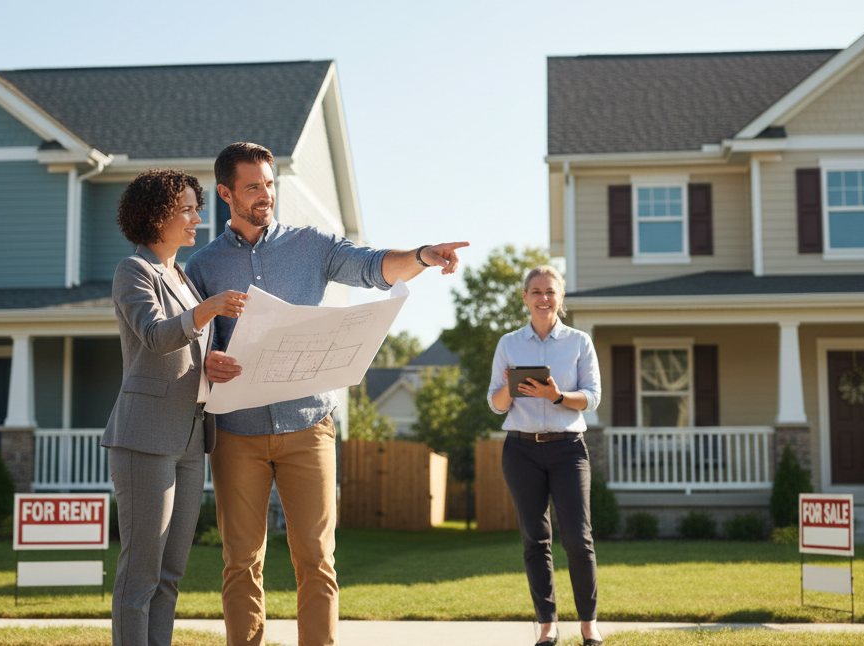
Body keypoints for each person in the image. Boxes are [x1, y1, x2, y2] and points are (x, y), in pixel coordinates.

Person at [185, 142, 468, 646]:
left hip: (309, 425)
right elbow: (193, 342)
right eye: (253, 187)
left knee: (316, 559)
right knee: (240, 560)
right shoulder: (203, 266)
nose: (265, 195)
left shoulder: (310, 245)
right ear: (226, 193)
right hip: (236, 432)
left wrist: (422, 256)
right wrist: (206, 361)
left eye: (270, 184)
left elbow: (372, 266)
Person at [102, 169, 248, 646]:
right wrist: (210, 310)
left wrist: (214, 364)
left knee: (170, 575)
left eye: (195, 207)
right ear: (156, 214)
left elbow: (188, 347)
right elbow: (157, 336)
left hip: (189, 438)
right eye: (186, 208)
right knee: (140, 575)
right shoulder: (134, 271)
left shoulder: (182, 277)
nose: (197, 217)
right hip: (144, 436)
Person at [487, 265, 604, 646]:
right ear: (525, 298)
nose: (543, 298)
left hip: (568, 449)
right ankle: (547, 625)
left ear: (561, 298)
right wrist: (510, 387)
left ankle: (589, 625)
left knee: (577, 538)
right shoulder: (508, 344)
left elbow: (592, 397)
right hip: (520, 450)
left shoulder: (579, 342)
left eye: (550, 291)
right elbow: (496, 404)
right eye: (535, 291)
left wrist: (554, 395)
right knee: (535, 540)